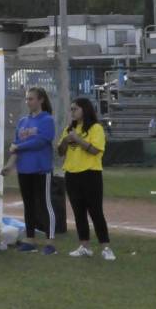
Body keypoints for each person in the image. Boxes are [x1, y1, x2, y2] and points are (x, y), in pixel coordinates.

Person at [1, 86, 57, 255]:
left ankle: (50, 242)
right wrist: (10, 165)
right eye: (26, 99)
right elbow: (15, 149)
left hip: (41, 169)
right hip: (24, 170)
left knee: (45, 205)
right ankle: (30, 240)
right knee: (29, 205)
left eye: (31, 98)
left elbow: (41, 141)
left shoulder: (47, 120)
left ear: (41, 100)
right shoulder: (22, 122)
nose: (28, 102)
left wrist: (19, 146)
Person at [58, 97, 115, 261]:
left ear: (85, 109)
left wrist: (77, 140)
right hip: (71, 174)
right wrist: (65, 141)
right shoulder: (70, 129)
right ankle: (84, 246)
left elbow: (95, 150)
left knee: (96, 211)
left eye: (75, 109)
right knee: (78, 212)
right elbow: (61, 152)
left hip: (90, 174)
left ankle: (106, 247)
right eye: (71, 109)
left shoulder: (96, 128)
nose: (72, 112)